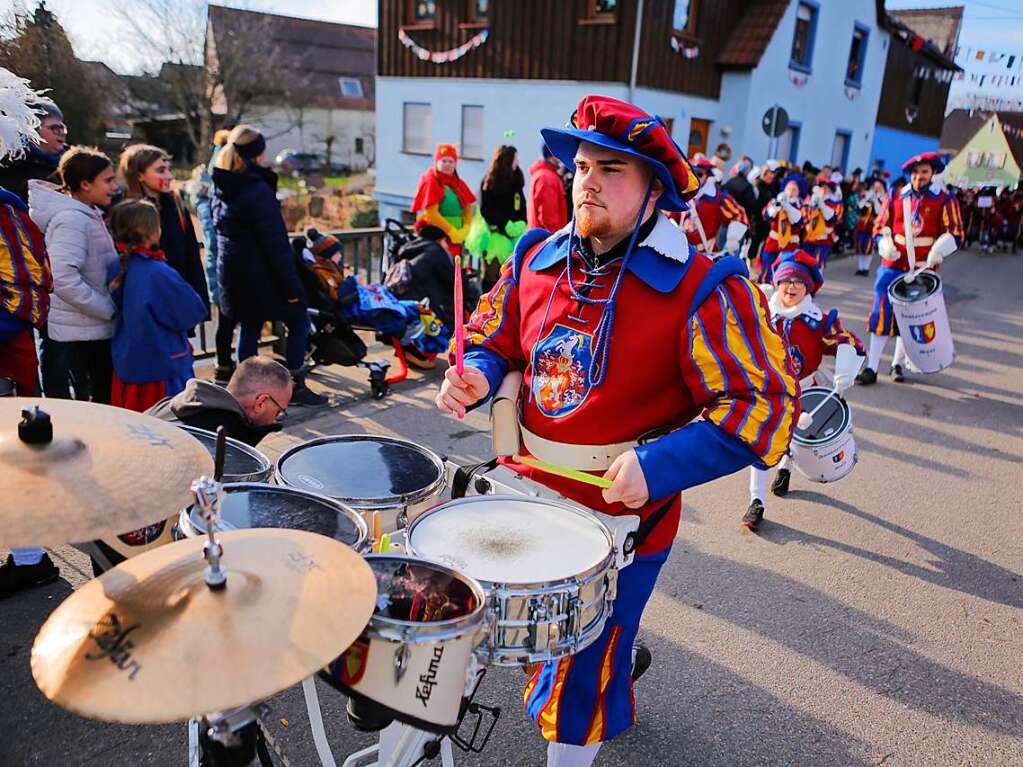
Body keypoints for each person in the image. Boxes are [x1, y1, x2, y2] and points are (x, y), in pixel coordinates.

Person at [435, 95, 798, 767]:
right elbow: (496, 339)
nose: (589, 181)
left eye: (612, 168)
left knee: (582, 674)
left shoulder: (704, 285)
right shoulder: (534, 254)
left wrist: (659, 464)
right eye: (580, 166)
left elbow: (764, 403)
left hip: (620, 516)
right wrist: (478, 375)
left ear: (654, 189)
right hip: (521, 493)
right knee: (489, 632)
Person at [745, 249, 863, 530]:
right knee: (761, 444)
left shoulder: (818, 321)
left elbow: (849, 342)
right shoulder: (761, 314)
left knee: (796, 436)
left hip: (805, 391)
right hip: (770, 391)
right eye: (786, 280)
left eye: (798, 281)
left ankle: (785, 470)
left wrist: (846, 366)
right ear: (777, 282)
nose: (792, 287)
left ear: (808, 288)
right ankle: (756, 501)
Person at [210, 124, 326, 406]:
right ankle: (295, 386)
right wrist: (291, 287)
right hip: (263, 277)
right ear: (257, 155)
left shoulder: (223, 185)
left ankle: (246, 392)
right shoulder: (257, 190)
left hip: (235, 275)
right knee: (299, 320)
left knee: (249, 328)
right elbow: (275, 245)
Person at [856, 152, 963, 386]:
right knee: (881, 315)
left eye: (924, 172)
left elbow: (956, 232)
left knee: (911, 318)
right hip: (892, 265)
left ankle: (897, 364)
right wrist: (885, 244)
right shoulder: (896, 195)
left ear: (932, 173)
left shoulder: (944, 199)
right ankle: (871, 367)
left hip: (923, 268)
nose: (919, 177)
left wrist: (939, 249)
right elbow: (880, 225)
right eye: (915, 173)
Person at [29, 146, 120, 403]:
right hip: (83, 330)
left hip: (89, 326)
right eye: (108, 180)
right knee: (97, 400)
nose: (114, 186)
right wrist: (106, 308)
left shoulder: (87, 214)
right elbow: (61, 278)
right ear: (85, 184)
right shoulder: (72, 220)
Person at [105, 199, 208, 412]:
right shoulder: (158, 272)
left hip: (129, 360)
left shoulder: (118, 265)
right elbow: (191, 311)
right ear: (150, 231)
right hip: (162, 364)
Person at [118, 144, 210, 316]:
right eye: (160, 170)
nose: (169, 175)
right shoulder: (127, 212)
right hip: (147, 300)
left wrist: (198, 300)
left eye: (169, 169)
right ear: (139, 175)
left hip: (177, 294)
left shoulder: (175, 204)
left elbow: (191, 255)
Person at [148, 356, 293, 446]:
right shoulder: (230, 439)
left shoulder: (170, 403)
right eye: (279, 412)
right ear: (260, 403)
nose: (275, 419)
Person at [195, 129, 236, 384]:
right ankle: (223, 368)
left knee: (228, 321)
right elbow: (215, 236)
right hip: (225, 267)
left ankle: (224, 366)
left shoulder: (211, 185)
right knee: (228, 321)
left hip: (221, 265)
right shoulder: (218, 188)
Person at [468, 144, 528, 291]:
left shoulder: (516, 179)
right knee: (492, 278)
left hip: (513, 238)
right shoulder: (490, 181)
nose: (518, 162)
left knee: (508, 279)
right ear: (507, 161)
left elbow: (521, 204)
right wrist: (504, 224)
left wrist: (522, 222)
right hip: (494, 238)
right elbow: (486, 210)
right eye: (515, 159)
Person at [410, 143, 476, 256]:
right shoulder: (431, 180)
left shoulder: (458, 183)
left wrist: (466, 229)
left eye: (451, 161)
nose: (447, 164)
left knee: (456, 270)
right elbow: (431, 213)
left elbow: (468, 207)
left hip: (457, 240)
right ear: (436, 162)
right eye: (443, 161)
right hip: (438, 239)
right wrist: (451, 232)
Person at [677, 153, 748, 256]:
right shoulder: (681, 194)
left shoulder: (718, 199)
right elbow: (670, 215)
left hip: (703, 254)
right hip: (679, 251)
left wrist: (732, 239)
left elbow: (740, 214)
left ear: (707, 175)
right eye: (692, 173)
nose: (695, 177)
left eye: (700, 174)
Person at [0, 96, 65, 204]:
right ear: (31, 132)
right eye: (55, 128)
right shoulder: (12, 170)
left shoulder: (70, 166)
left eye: (63, 127)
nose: (62, 133)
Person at [760, 172, 807, 283]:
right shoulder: (775, 201)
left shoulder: (801, 206)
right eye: (789, 188)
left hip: (790, 244)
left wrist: (788, 207)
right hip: (773, 242)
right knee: (767, 268)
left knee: (784, 272)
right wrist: (777, 206)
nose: (791, 191)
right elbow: (766, 216)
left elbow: (800, 221)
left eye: (794, 189)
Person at [802, 174, 842, 269]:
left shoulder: (834, 203)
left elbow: (834, 220)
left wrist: (822, 205)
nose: (822, 189)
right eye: (820, 186)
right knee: (805, 262)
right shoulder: (810, 200)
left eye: (825, 187)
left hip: (825, 239)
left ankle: (816, 282)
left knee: (818, 263)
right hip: (809, 237)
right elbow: (804, 216)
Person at [528, 144, 570, 233]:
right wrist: (557, 241)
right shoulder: (547, 178)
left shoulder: (543, 174)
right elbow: (548, 219)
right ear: (553, 154)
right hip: (548, 240)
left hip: (542, 239)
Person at [854, 177, 887, 275]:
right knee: (860, 247)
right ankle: (860, 268)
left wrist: (875, 200)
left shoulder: (883, 198)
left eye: (878, 187)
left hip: (872, 227)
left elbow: (879, 212)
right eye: (874, 187)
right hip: (862, 226)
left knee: (868, 248)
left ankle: (865, 269)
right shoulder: (866, 195)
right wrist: (867, 198)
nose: (876, 189)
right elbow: (859, 207)